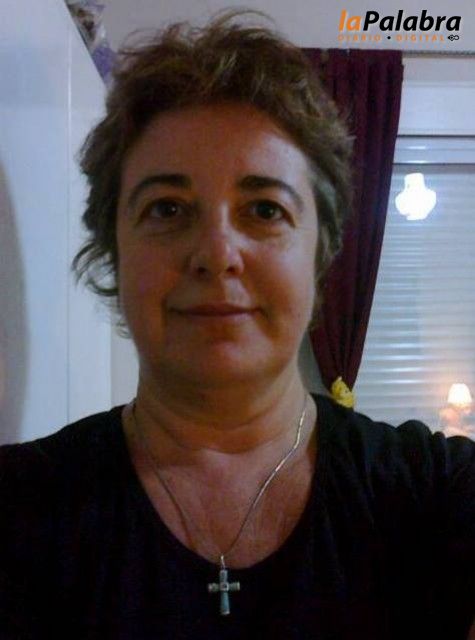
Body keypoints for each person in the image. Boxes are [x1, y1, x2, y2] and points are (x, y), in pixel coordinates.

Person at [1, 12, 474, 640]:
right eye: (167, 208)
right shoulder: (16, 508)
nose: (217, 253)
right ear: (114, 250)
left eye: (264, 210)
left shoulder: (439, 493)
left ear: (321, 252)